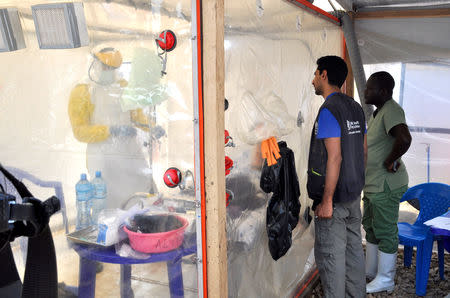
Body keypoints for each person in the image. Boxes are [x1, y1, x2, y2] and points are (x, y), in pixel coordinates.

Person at [307, 55, 366, 297]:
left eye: (315, 74)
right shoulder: (355, 107)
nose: (312, 80)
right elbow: (363, 150)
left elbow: (334, 157)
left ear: (324, 75)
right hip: (353, 196)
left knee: (332, 260)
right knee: (353, 255)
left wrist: (327, 200)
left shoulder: (329, 110)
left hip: (336, 201)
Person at [68, 47, 156, 209]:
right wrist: (111, 130)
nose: (109, 71)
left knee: (141, 199)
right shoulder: (82, 91)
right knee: (109, 206)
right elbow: (79, 131)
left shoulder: (123, 86)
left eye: (112, 68)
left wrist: (152, 127)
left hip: (129, 154)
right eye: (105, 67)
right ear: (95, 63)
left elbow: (136, 116)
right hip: (103, 159)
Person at [363, 71, 412, 294]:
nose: (365, 91)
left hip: (386, 184)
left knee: (385, 229)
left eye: (370, 88)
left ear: (383, 92)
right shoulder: (378, 113)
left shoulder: (391, 110)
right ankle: (372, 271)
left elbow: (404, 138)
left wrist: (390, 160)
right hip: (373, 184)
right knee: (371, 228)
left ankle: (386, 278)